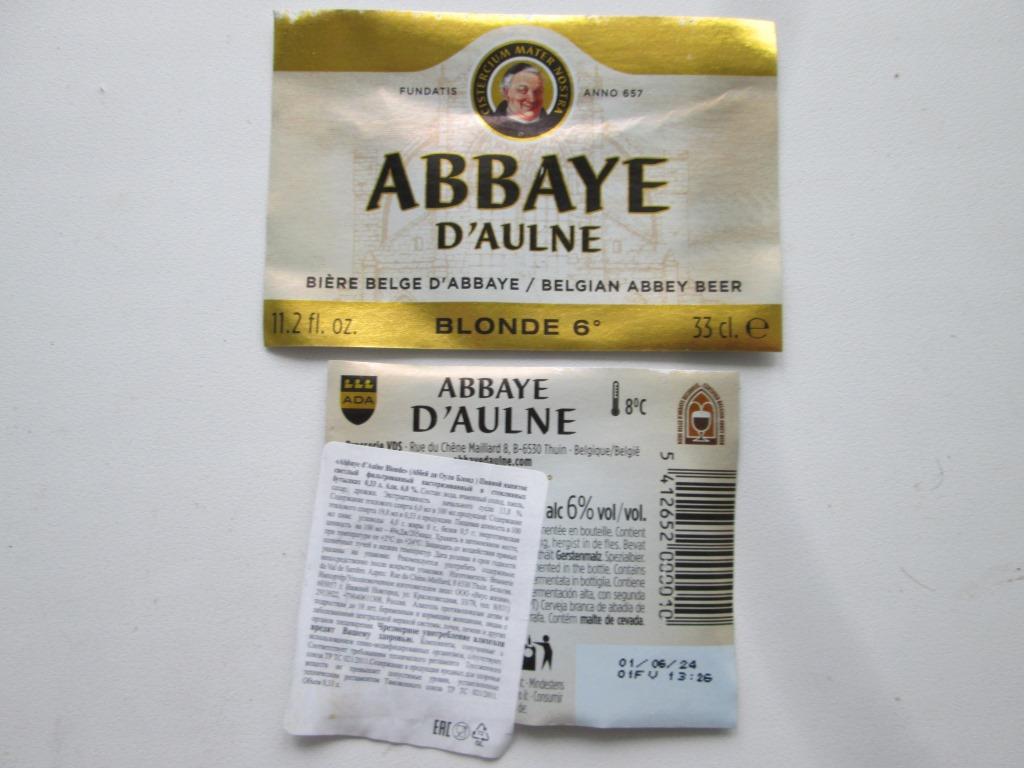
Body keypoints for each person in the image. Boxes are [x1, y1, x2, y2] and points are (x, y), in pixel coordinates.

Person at [487, 63, 559, 138]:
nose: (532, 99)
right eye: (522, 90)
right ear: (506, 93)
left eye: (538, 91)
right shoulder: (487, 126)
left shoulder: (557, 127)